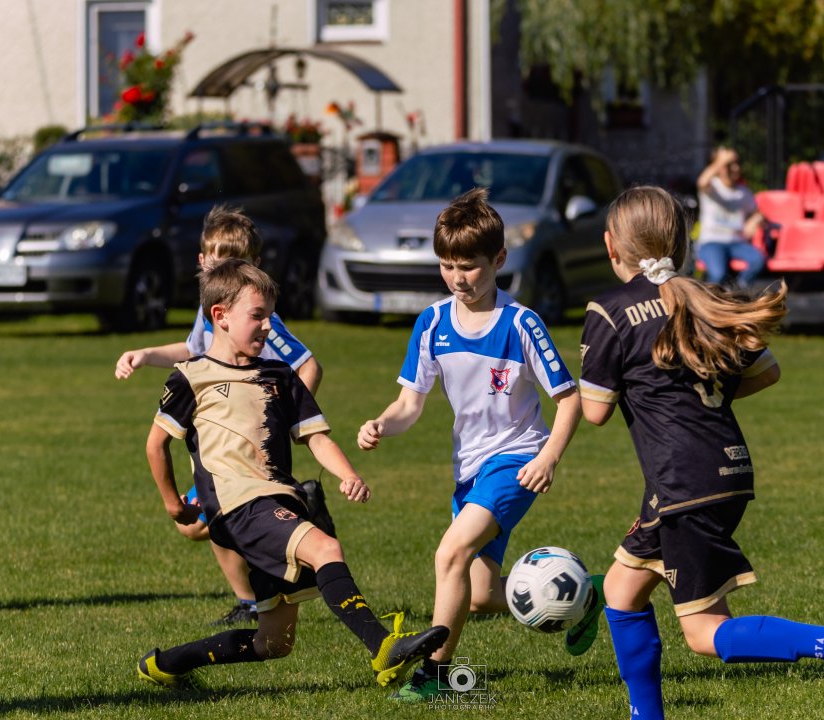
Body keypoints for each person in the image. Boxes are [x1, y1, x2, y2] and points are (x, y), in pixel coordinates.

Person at [577, 185, 824, 720]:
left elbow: (595, 411)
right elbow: (767, 371)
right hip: (722, 469)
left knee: (702, 632)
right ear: (682, 242)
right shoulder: (706, 297)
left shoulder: (610, 311)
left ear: (611, 247)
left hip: (683, 482)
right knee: (624, 590)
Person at [138, 258, 448, 690]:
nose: (267, 326)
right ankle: (383, 649)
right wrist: (173, 504)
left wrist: (347, 474)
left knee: (274, 642)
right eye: (257, 316)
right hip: (237, 505)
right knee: (324, 547)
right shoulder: (192, 377)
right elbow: (157, 443)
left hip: (279, 499)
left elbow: (315, 437)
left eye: (270, 315)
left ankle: (167, 663)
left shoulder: (280, 376)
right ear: (220, 316)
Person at [356, 188, 591, 703]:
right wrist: (380, 424)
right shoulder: (433, 323)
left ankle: (435, 678)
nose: (458, 278)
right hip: (469, 468)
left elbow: (569, 400)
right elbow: (409, 405)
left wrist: (548, 457)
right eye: (446, 266)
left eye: (469, 266)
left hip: (517, 459)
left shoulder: (521, 323)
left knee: (450, 552)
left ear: (499, 260)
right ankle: (581, 595)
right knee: (482, 595)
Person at [115, 205, 323, 625]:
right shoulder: (211, 309)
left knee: (216, 517)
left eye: (236, 261)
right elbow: (193, 351)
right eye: (216, 258)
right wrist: (146, 354)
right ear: (202, 261)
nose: (222, 267)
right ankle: (263, 586)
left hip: (245, 444)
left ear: (254, 267)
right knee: (197, 525)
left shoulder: (261, 318)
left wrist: (282, 415)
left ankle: (267, 584)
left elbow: (309, 366)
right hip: (214, 437)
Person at [696, 146, 766, 288]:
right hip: (712, 242)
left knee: (758, 259)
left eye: (736, 164)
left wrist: (756, 219)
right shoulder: (712, 187)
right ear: (719, 167)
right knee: (718, 274)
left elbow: (757, 212)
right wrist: (721, 161)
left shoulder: (744, 192)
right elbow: (701, 182)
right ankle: (713, 304)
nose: (734, 168)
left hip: (737, 242)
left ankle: (739, 290)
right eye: (729, 165)